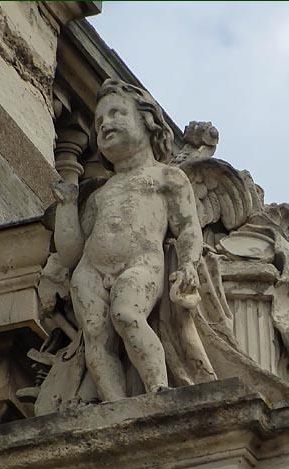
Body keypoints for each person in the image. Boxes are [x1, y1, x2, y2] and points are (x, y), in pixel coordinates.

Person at [51, 79, 203, 400]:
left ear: (148, 123)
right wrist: (66, 208)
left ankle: (157, 388)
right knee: (96, 336)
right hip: (89, 271)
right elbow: (72, 254)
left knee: (126, 315)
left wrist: (189, 264)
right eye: (100, 121)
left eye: (117, 113)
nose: (106, 124)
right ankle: (115, 404)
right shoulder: (100, 194)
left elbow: (188, 226)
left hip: (140, 263)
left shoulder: (166, 176)